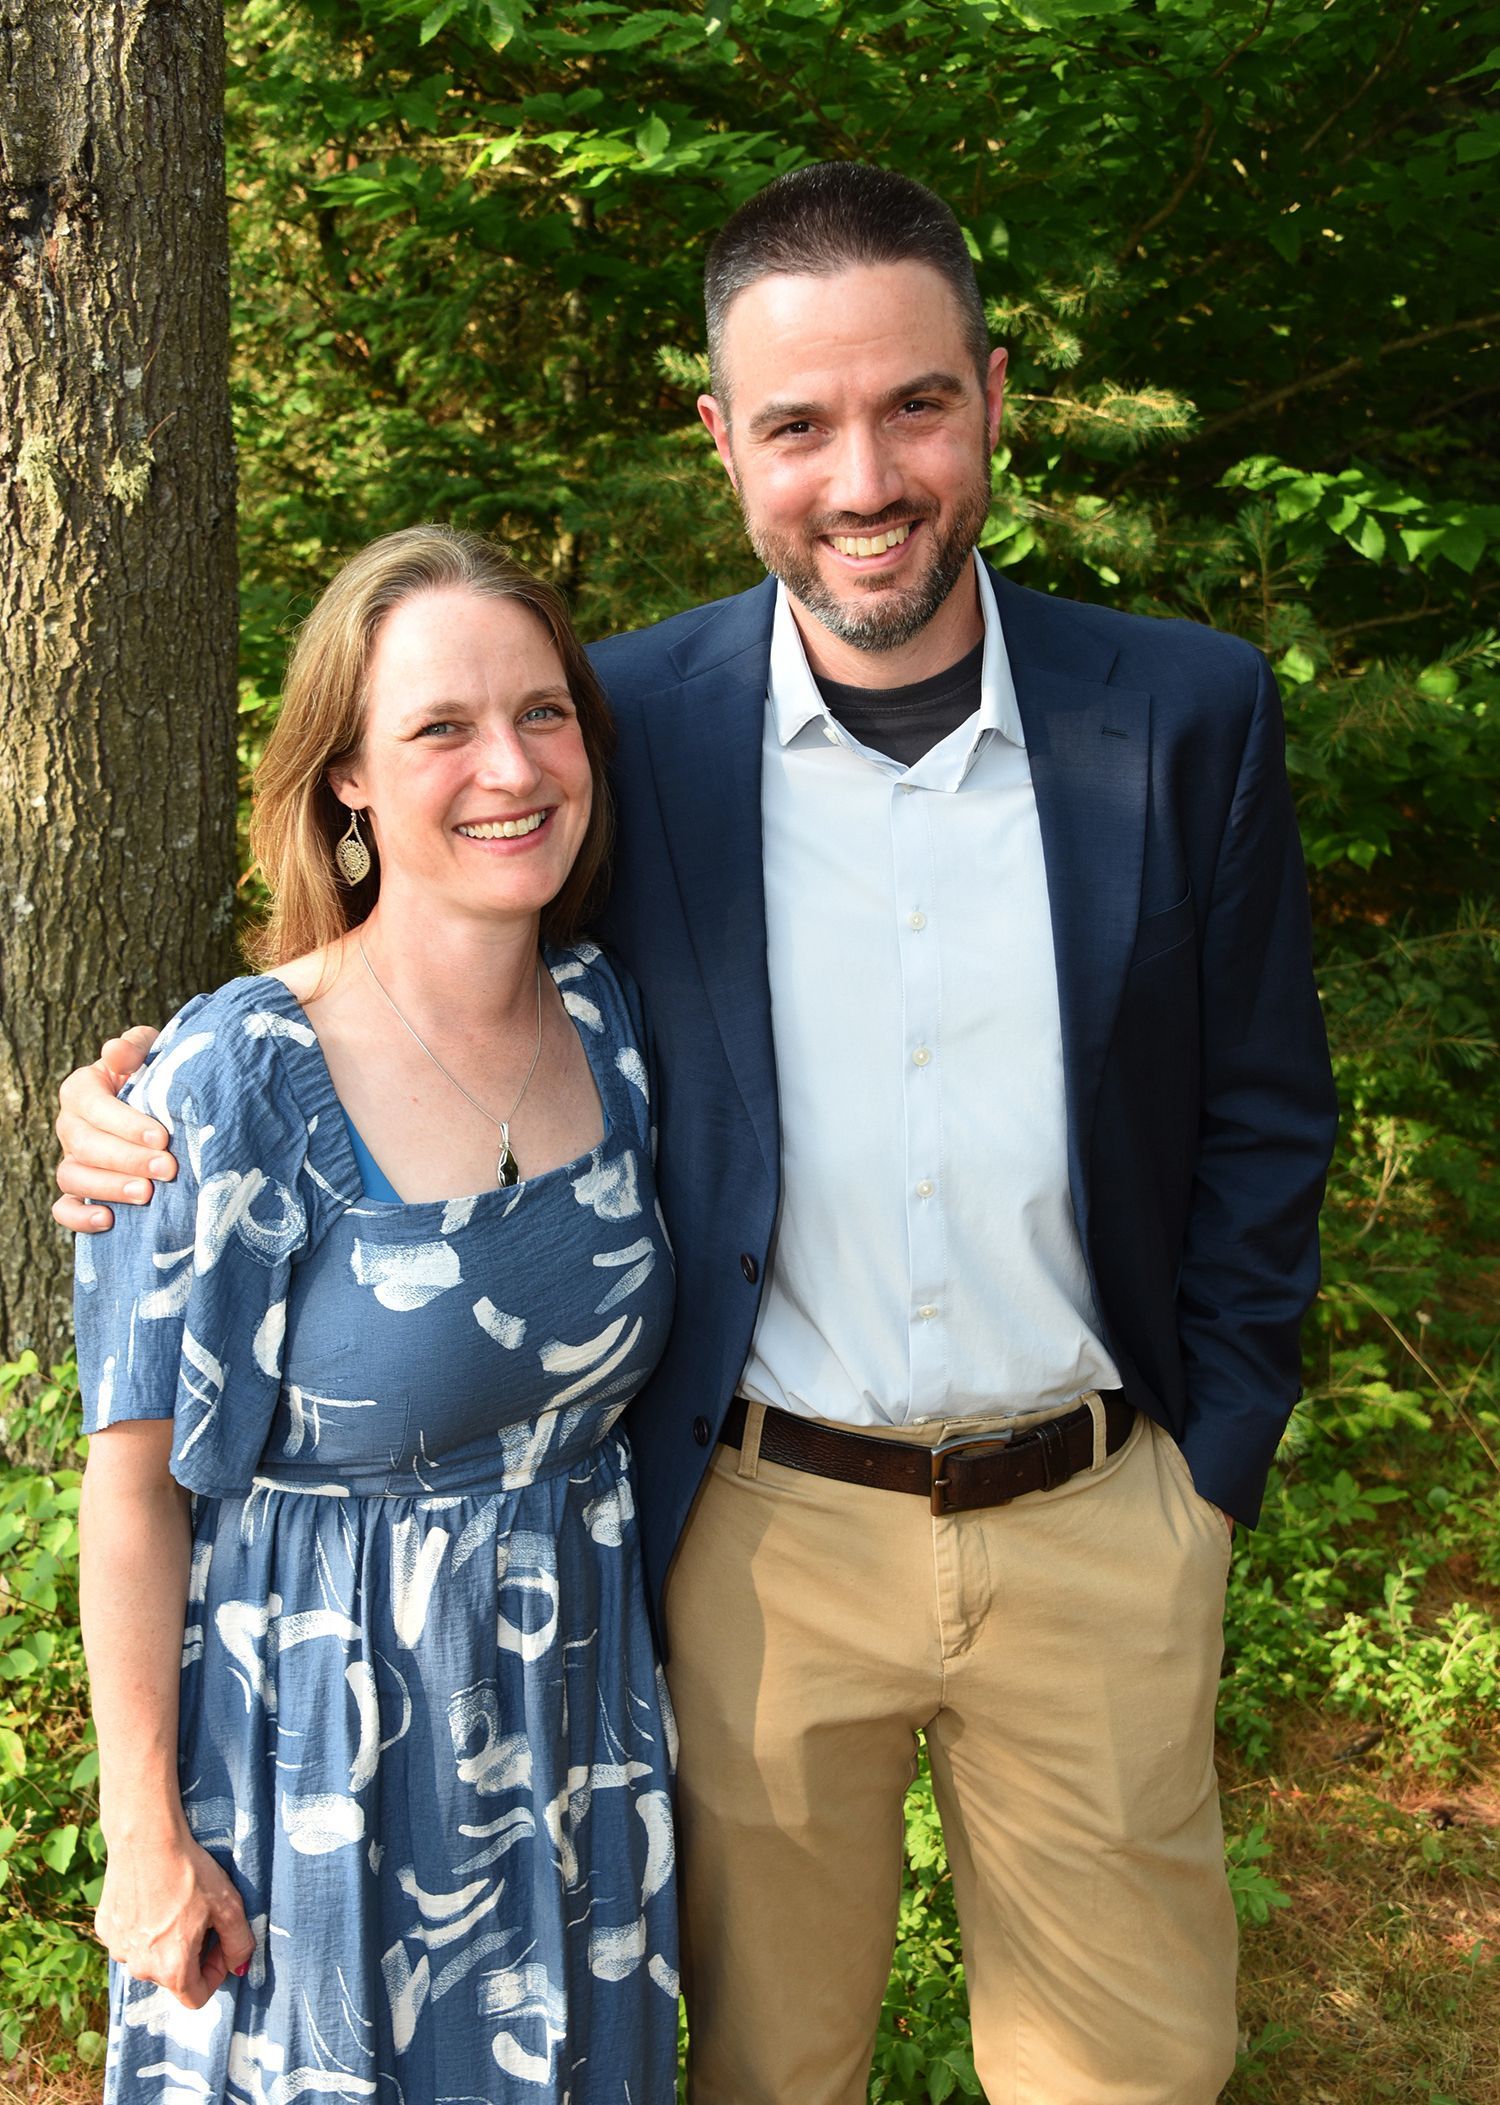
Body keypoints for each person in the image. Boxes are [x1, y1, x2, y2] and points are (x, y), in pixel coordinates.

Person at [58, 164, 1338, 2104]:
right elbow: (412, 930)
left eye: (915, 404)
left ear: (993, 396)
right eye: (801, 423)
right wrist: (141, 1093)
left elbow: (1263, 1114)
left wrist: (1210, 1469)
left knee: (1136, 2073)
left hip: (1098, 1516)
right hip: (753, 1534)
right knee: (753, 2066)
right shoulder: (636, 721)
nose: (865, 475)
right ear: (724, 442)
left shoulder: (1180, 715)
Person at [68, 527, 679, 2103]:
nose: (510, 766)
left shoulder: (614, 1024)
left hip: (570, 1749)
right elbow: (132, 1488)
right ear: (345, 775)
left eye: (544, 714)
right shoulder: (234, 1076)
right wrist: (145, 1833)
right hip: (317, 1769)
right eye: (441, 728)